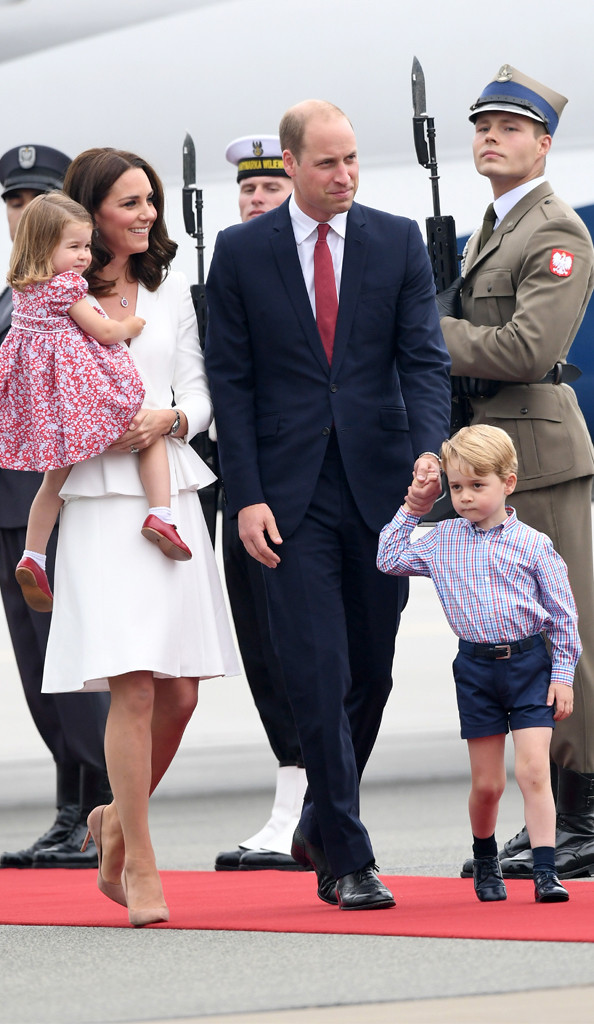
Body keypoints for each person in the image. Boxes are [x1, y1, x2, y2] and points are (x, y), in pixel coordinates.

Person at [205, 100, 451, 909]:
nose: (344, 176)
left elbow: (422, 360)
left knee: (370, 674)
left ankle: (316, 815)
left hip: (383, 486)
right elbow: (232, 386)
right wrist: (244, 497)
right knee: (316, 666)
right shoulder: (242, 253)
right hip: (287, 491)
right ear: (289, 162)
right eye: (327, 164)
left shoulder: (396, 240)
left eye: (351, 160)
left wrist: (429, 454)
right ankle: (347, 855)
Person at [42, 147, 238, 927]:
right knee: (134, 683)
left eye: (149, 200)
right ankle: (142, 863)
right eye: (130, 202)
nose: (146, 213)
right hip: (99, 496)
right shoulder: (53, 292)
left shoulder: (171, 286)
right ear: (91, 212)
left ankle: (113, 822)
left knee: (181, 693)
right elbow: (39, 393)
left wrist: (176, 419)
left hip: (172, 489)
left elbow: (196, 384)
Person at [437, 65, 594, 880]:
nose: (490, 136)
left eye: (508, 126)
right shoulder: (492, 227)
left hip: (536, 453)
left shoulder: (555, 232)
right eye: (481, 125)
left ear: (544, 142)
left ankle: (586, 814)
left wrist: (427, 328)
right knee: (514, 634)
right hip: (493, 455)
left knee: (565, 634)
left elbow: (529, 350)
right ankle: (554, 817)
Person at [0, 144, 114, 870]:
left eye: (36, 201)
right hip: (7, 502)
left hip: (54, 496)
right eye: (14, 203)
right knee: (36, 665)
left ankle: (96, 812)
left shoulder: (75, 294)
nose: (22, 212)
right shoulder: (5, 297)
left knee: (72, 663)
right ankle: (69, 810)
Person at [378, 424, 578, 903]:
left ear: (508, 482)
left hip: (530, 664)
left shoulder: (533, 544)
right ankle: (486, 860)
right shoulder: (441, 538)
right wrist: (415, 507)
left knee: (533, 771)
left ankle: (547, 871)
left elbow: (564, 616)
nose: (465, 497)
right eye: (457, 487)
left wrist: (563, 677)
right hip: (475, 670)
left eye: (477, 486)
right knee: (487, 785)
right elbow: (387, 558)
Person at [0, 191, 191, 612]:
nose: (83, 257)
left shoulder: (24, 289)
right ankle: (161, 514)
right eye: (73, 247)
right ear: (43, 247)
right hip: (80, 395)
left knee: (53, 481)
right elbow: (104, 332)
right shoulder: (67, 288)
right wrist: (130, 322)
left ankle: (33, 555)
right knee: (145, 431)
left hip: (47, 404)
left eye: (86, 246)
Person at [214, 135, 306, 873]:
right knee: (263, 649)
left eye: (269, 187)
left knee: (314, 649)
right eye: (248, 189)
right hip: (247, 485)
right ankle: (292, 796)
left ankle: (310, 804)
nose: (255, 198)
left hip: (313, 485)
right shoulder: (228, 264)